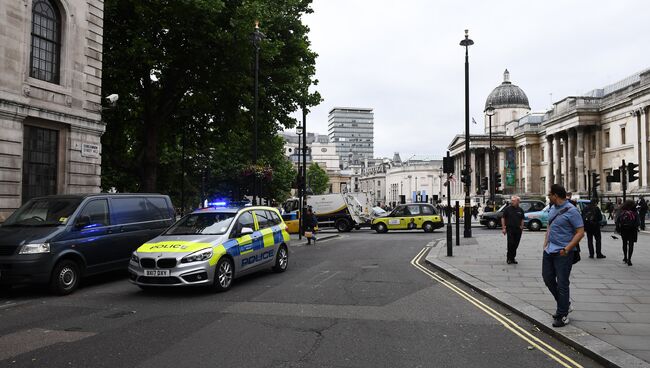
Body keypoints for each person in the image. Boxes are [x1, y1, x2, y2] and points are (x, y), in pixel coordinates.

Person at [543, 184, 584, 328]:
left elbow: (580, 232)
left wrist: (567, 249)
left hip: (563, 252)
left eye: (549, 194)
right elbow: (549, 226)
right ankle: (565, 304)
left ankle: (563, 314)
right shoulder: (552, 208)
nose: (548, 196)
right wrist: (545, 244)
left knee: (562, 283)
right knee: (547, 279)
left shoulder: (572, 211)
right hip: (549, 250)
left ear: (556, 195)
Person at [501, 196, 525, 264]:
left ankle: (513, 258)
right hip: (510, 229)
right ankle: (509, 258)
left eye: (514, 201)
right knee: (510, 243)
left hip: (518, 230)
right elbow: (503, 218)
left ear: (518, 202)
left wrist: (522, 227)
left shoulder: (520, 210)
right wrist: (503, 228)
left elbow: (522, 219)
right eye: (512, 200)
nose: (512, 202)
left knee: (516, 244)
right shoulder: (507, 209)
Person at [615, 200, 640, 266]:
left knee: (624, 243)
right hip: (632, 230)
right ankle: (629, 259)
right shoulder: (635, 212)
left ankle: (625, 257)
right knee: (631, 244)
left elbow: (617, 220)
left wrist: (619, 228)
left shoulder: (622, 211)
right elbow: (638, 222)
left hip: (624, 229)